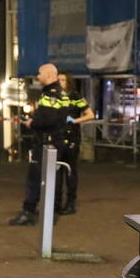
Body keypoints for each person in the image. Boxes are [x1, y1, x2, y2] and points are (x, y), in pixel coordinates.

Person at [9, 63, 71, 226]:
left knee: (35, 178)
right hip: (56, 142)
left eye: (40, 73)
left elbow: (48, 119)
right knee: (52, 179)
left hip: (45, 143)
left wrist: (32, 123)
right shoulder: (62, 94)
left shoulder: (50, 95)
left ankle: (28, 212)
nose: (37, 76)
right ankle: (50, 213)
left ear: (49, 75)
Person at [57, 72, 94, 215]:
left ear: (68, 82)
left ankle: (70, 203)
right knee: (57, 172)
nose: (60, 82)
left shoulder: (75, 96)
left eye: (63, 80)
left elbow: (90, 115)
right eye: (58, 79)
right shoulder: (55, 97)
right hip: (57, 139)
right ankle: (56, 203)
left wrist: (75, 121)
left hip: (72, 138)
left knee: (70, 172)